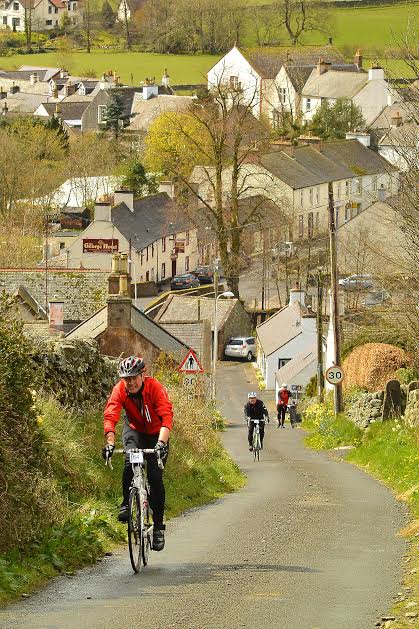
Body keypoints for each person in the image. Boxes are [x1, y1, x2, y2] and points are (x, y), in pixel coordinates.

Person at [102, 356, 173, 552]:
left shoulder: (154, 388)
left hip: (157, 435)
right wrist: (110, 443)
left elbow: (167, 416)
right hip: (134, 430)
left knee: (155, 478)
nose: (130, 382)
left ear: (143, 375)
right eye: (126, 379)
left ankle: (158, 527)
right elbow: (111, 415)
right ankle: (126, 503)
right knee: (129, 462)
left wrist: (161, 443)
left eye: (134, 377)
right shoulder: (120, 390)